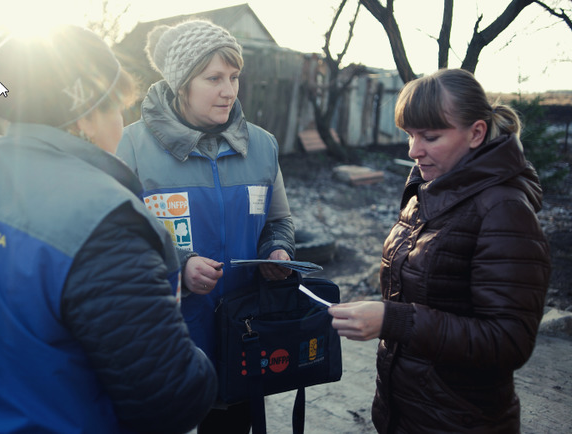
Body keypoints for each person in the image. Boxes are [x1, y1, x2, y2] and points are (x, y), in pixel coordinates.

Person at [0, 25, 217, 433]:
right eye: (117, 106)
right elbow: (171, 398)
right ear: (88, 116)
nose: (122, 122)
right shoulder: (106, 223)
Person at [329, 68, 550, 432]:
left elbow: (509, 340)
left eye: (430, 137)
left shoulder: (504, 211)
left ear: (476, 132)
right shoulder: (428, 191)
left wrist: (392, 319)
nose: (414, 151)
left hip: (461, 421)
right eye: (410, 135)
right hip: (407, 413)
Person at [116, 20, 295, 433]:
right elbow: (118, 239)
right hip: (166, 338)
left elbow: (278, 220)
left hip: (243, 337)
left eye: (234, 77)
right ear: (181, 83)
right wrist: (178, 264)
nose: (229, 90)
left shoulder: (262, 146)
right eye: (214, 78)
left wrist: (278, 251)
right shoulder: (132, 147)